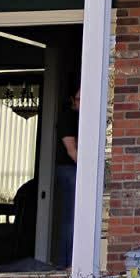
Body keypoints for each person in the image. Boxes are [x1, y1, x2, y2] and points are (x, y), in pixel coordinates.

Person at [55, 86, 79, 267]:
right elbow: (72, 151)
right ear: (71, 99)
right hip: (69, 170)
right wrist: (90, 173)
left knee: (75, 216)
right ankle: (66, 263)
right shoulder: (67, 118)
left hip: (72, 170)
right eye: (79, 99)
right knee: (71, 217)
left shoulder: (80, 117)